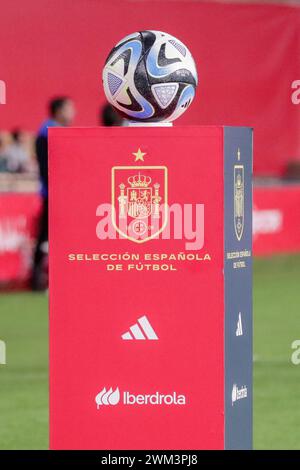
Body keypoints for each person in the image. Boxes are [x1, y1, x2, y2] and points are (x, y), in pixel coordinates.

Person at [31, 97, 76, 290]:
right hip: (52, 194)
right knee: (45, 237)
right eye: (69, 108)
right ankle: (37, 279)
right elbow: (46, 168)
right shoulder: (47, 132)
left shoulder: (59, 132)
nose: (73, 113)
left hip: (60, 193)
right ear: (58, 110)